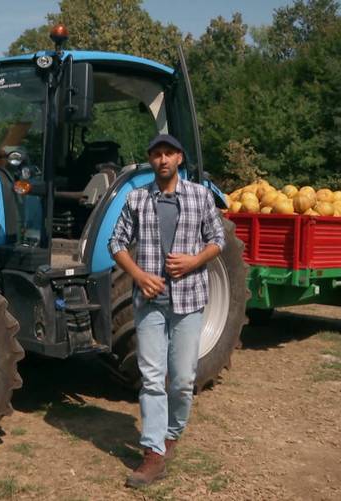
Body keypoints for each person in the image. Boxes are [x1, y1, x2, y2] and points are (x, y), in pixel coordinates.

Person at [109, 133, 225, 489]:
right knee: (152, 377)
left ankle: (172, 433)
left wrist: (193, 261)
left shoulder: (200, 196)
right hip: (149, 304)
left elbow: (217, 240)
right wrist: (139, 276)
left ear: (179, 159)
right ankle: (154, 452)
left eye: (168, 154)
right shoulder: (136, 199)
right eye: (156, 154)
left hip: (189, 301)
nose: (162, 160)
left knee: (184, 378)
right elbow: (116, 243)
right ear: (151, 160)